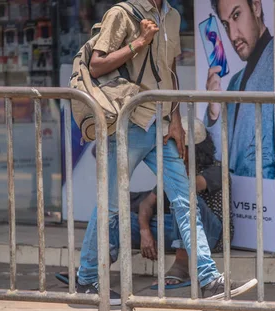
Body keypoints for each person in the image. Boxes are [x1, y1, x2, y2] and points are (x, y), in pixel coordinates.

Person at [77, 0, 255, 305]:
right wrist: (139, 42)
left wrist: (175, 120)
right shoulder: (121, 13)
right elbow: (96, 64)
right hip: (127, 123)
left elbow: (169, 71)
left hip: (159, 125)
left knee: (185, 199)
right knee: (111, 207)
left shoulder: (171, 15)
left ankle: (209, 278)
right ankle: (88, 279)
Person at [57, 118, 233, 291]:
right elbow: (147, 204)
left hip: (212, 235)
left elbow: (190, 187)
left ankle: (182, 265)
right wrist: (144, 231)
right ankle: (94, 271)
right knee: (118, 219)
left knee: (184, 199)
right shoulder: (172, 172)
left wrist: (177, 167)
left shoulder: (215, 170)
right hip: (175, 229)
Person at [204, 0, 275, 179]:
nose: (233, 35)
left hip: (269, 193)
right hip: (240, 197)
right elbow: (218, 154)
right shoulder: (234, 82)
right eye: (226, 24)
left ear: (256, 7)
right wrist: (214, 111)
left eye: (237, 15)